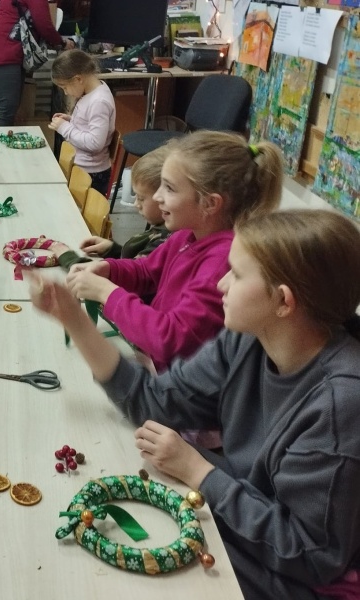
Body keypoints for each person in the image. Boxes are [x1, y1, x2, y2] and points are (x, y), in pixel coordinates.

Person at [29, 209, 360, 600]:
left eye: (236, 274)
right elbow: (154, 402)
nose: (220, 283)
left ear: (283, 301)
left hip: (297, 577)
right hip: (245, 523)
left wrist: (200, 471)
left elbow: (311, 555)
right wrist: (75, 320)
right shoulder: (250, 337)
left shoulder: (339, 406)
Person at [65, 131, 283, 372]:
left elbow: (171, 338)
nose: (157, 196)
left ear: (210, 203)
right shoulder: (187, 234)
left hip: (180, 384)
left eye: (169, 188)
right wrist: (108, 269)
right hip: (159, 367)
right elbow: (147, 271)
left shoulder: (222, 262)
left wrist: (106, 293)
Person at [51, 146, 170, 269]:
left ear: (164, 199)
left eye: (141, 198)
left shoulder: (163, 244)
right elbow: (132, 264)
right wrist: (113, 250)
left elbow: (124, 276)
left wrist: (68, 258)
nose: (136, 204)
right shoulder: (160, 230)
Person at [0, 0, 72, 126]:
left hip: (3, 51)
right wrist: (62, 43)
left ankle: (2, 138)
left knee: (9, 110)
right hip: (5, 53)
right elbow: (44, 25)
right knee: (6, 110)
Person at [49, 49, 116, 194]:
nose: (66, 92)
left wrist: (65, 128)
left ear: (78, 79)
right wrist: (71, 120)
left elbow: (95, 143)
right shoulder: (92, 92)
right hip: (83, 168)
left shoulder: (99, 101)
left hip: (91, 174)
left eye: (65, 87)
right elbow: (88, 123)